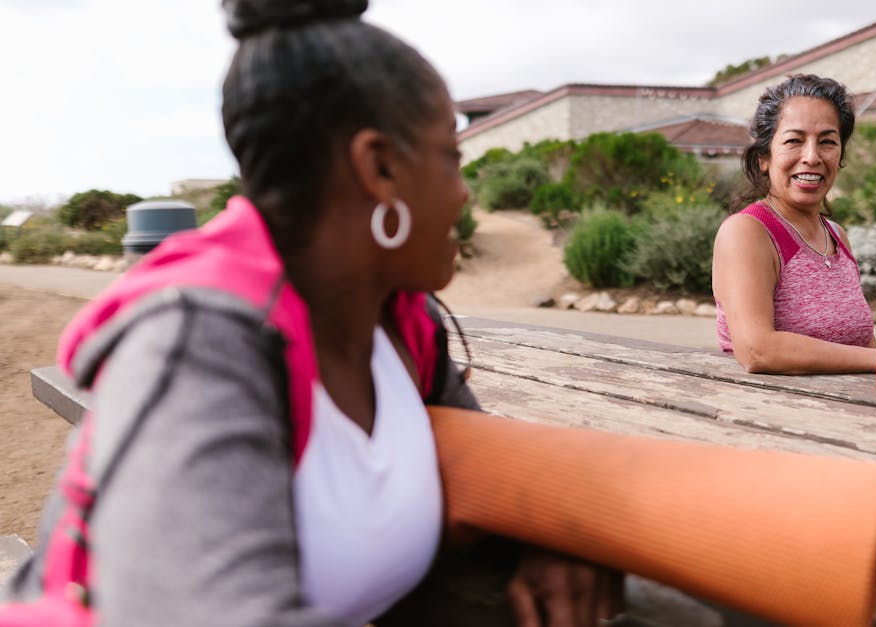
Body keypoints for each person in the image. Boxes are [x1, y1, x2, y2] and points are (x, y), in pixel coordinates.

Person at [0, 1, 621, 625]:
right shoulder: (198, 344)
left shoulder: (398, 323)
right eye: (451, 158)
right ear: (379, 168)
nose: (464, 194)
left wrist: (546, 536)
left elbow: (483, 473)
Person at [712, 74, 876, 375]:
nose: (812, 157)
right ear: (764, 156)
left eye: (827, 141)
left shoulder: (836, 235)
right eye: (794, 141)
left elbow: (863, 343)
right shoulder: (747, 232)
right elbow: (757, 350)